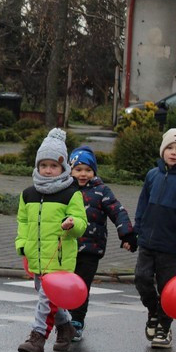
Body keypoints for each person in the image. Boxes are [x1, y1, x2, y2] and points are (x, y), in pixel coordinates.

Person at [16, 129, 88, 352]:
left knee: (46, 299)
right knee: (47, 295)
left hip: (59, 258)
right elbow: (23, 221)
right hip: (36, 256)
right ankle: (66, 328)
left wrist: (72, 223)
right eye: (43, 165)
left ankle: (37, 338)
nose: (48, 170)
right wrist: (22, 245)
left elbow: (81, 222)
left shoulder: (70, 193)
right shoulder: (28, 194)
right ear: (37, 166)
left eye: (53, 166)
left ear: (63, 168)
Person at [133, 128, 176, 349]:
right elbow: (142, 206)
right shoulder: (152, 175)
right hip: (147, 243)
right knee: (141, 278)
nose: (174, 152)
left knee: (167, 289)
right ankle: (153, 310)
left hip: (171, 248)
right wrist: (136, 232)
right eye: (170, 148)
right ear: (163, 151)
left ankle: (164, 327)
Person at [67, 146, 136, 341]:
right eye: (78, 169)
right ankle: (63, 320)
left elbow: (118, 211)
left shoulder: (101, 191)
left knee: (81, 286)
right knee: (65, 286)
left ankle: (77, 322)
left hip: (91, 249)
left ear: (94, 172)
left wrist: (127, 234)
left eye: (88, 170)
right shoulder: (64, 190)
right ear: (70, 170)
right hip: (67, 247)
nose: (83, 174)